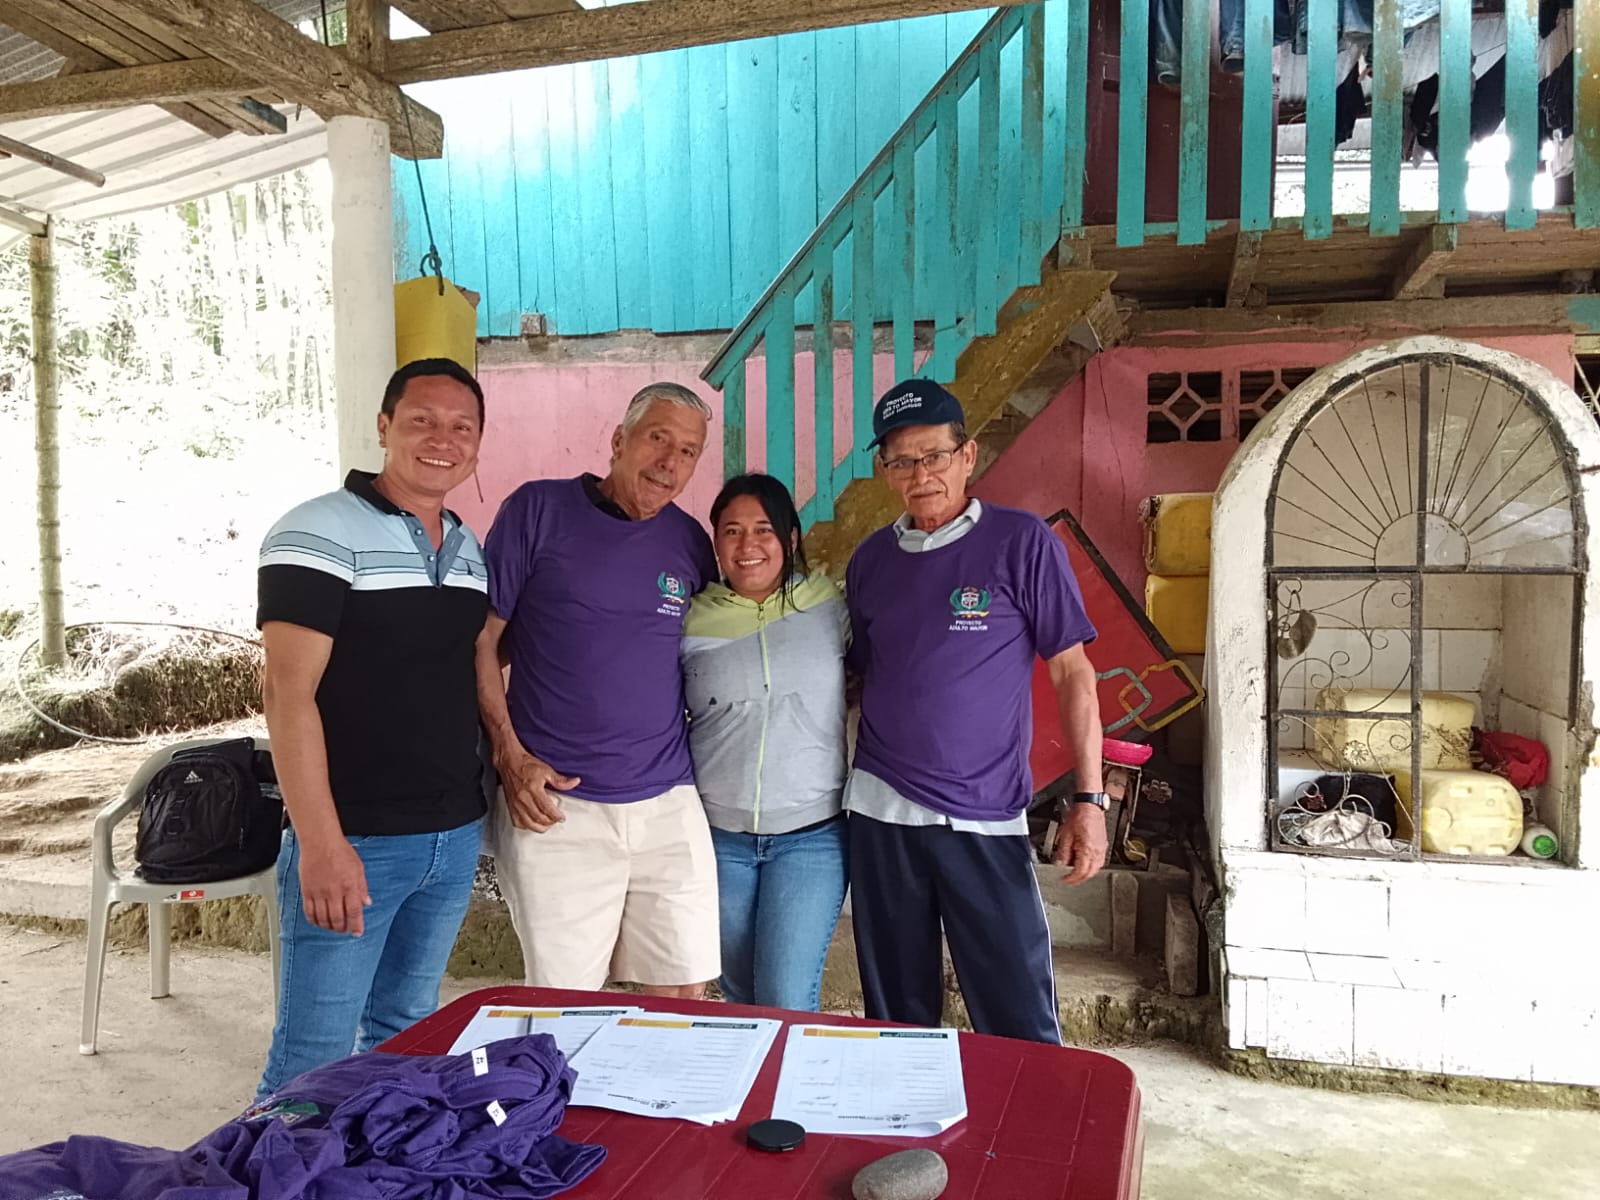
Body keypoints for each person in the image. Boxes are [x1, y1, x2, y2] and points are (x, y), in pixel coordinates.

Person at [844, 377, 1108, 1045]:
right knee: (896, 1018)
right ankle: (911, 1112)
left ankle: (1025, 1116)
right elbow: (866, 673)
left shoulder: (1022, 542)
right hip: (881, 816)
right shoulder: (870, 561)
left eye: (934, 455)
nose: (920, 475)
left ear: (968, 455)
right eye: (902, 461)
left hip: (983, 816)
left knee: (1017, 1016)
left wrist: (1089, 800)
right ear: (885, 471)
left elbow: (1073, 672)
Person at [254, 358, 490, 1097]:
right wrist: (322, 843)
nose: (442, 440)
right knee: (310, 1061)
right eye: (422, 421)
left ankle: (370, 1159)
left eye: (462, 427)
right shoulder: (315, 530)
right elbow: (287, 695)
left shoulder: (468, 547)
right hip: (356, 838)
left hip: (452, 836)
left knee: (405, 1035)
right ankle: (269, 1161)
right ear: (384, 427)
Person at [479, 382, 720, 999]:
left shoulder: (689, 542)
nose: (669, 462)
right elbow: (482, 642)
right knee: (564, 1005)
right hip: (559, 806)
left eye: (688, 451)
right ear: (618, 440)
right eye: (657, 438)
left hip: (668, 800)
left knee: (682, 994)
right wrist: (508, 756)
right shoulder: (537, 511)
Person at [681, 474, 850, 1011]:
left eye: (763, 529)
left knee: (785, 999)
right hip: (717, 838)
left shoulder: (828, 606)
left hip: (810, 838)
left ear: (790, 538)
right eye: (731, 531)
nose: (747, 544)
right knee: (739, 996)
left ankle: (795, 1072)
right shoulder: (691, 618)